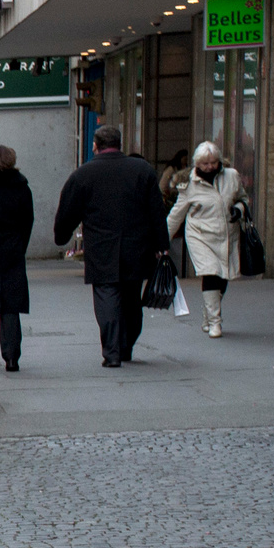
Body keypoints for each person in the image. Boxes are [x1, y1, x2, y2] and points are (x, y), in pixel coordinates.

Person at [55, 123, 172, 368]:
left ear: (95, 146)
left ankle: (112, 351)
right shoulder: (142, 170)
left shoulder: (84, 174)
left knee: (106, 295)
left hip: (101, 247)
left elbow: (68, 210)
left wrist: (61, 235)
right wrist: (162, 244)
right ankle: (126, 344)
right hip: (137, 246)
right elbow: (156, 211)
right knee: (131, 297)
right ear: (120, 144)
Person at [167, 141, 244, 338]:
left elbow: (243, 198)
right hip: (199, 235)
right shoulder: (188, 184)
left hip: (227, 234)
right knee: (210, 272)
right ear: (196, 164)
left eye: (213, 162)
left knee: (223, 276)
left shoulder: (232, 176)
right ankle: (215, 323)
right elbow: (176, 215)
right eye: (204, 164)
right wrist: (162, 240)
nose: (210, 167)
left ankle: (208, 314)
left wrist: (239, 210)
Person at [0, 146, 34, 371]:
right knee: (10, 305)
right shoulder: (21, 186)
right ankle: (11, 357)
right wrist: (20, 246)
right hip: (12, 248)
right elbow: (27, 220)